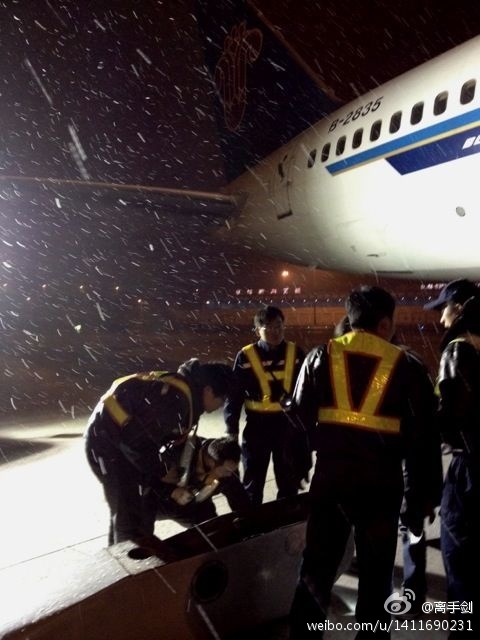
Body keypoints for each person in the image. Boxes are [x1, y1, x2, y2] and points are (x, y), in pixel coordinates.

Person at [289, 286, 438, 638]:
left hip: (330, 482)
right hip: (380, 487)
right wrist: (421, 498)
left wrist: (301, 465)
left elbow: (296, 420)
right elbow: (424, 440)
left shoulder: (320, 356)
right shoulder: (408, 366)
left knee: (316, 570)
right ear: (385, 323)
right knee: (376, 576)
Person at [333, 315, 442, 617]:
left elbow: (423, 432)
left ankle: (407, 593)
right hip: (398, 471)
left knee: (402, 530)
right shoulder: (407, 364)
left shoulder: (393, 366)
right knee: (407, 532)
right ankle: (411, 594)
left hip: (393, 470)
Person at [85, 358, 235, 557]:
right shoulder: (175, 401)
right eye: (222, 399)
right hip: (109, 445)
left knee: (133, 508)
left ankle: (127, 555)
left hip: (120, 443)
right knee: (129, 513)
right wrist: (162, 471)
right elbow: (136, 443)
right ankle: (130, 565)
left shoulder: (186, 396)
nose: (221, 405)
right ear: (208, 390)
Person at [424, 278, 480, 635]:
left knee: (459, 556)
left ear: (458, 308)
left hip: (471, 467)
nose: (441, 317)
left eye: (443, 308)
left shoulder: (459, 348)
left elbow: (452, 414)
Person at [224, 305, 307, 505]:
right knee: (253, 484)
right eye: (268, 327)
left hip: (288, 428)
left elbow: (308, 392)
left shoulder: (296, 353)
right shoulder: (246, 356)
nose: (275, 331)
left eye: (278, 326)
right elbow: (234, 395)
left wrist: (307, 430)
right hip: (257, 428)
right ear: (257, 331)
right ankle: (253, 522)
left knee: (289, 484)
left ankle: (286, 520)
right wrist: (231, 430)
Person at [152, 435, 251, 528]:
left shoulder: (227, 467)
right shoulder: (176, 454)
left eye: (232, 471)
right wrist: (172, 491)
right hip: (160, 501)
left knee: (212, 529)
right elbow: (147, 479)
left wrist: (248, 523)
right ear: (212, 462)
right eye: (227, 471)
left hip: (197, 502)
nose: (229, 475)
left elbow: (240, 499)